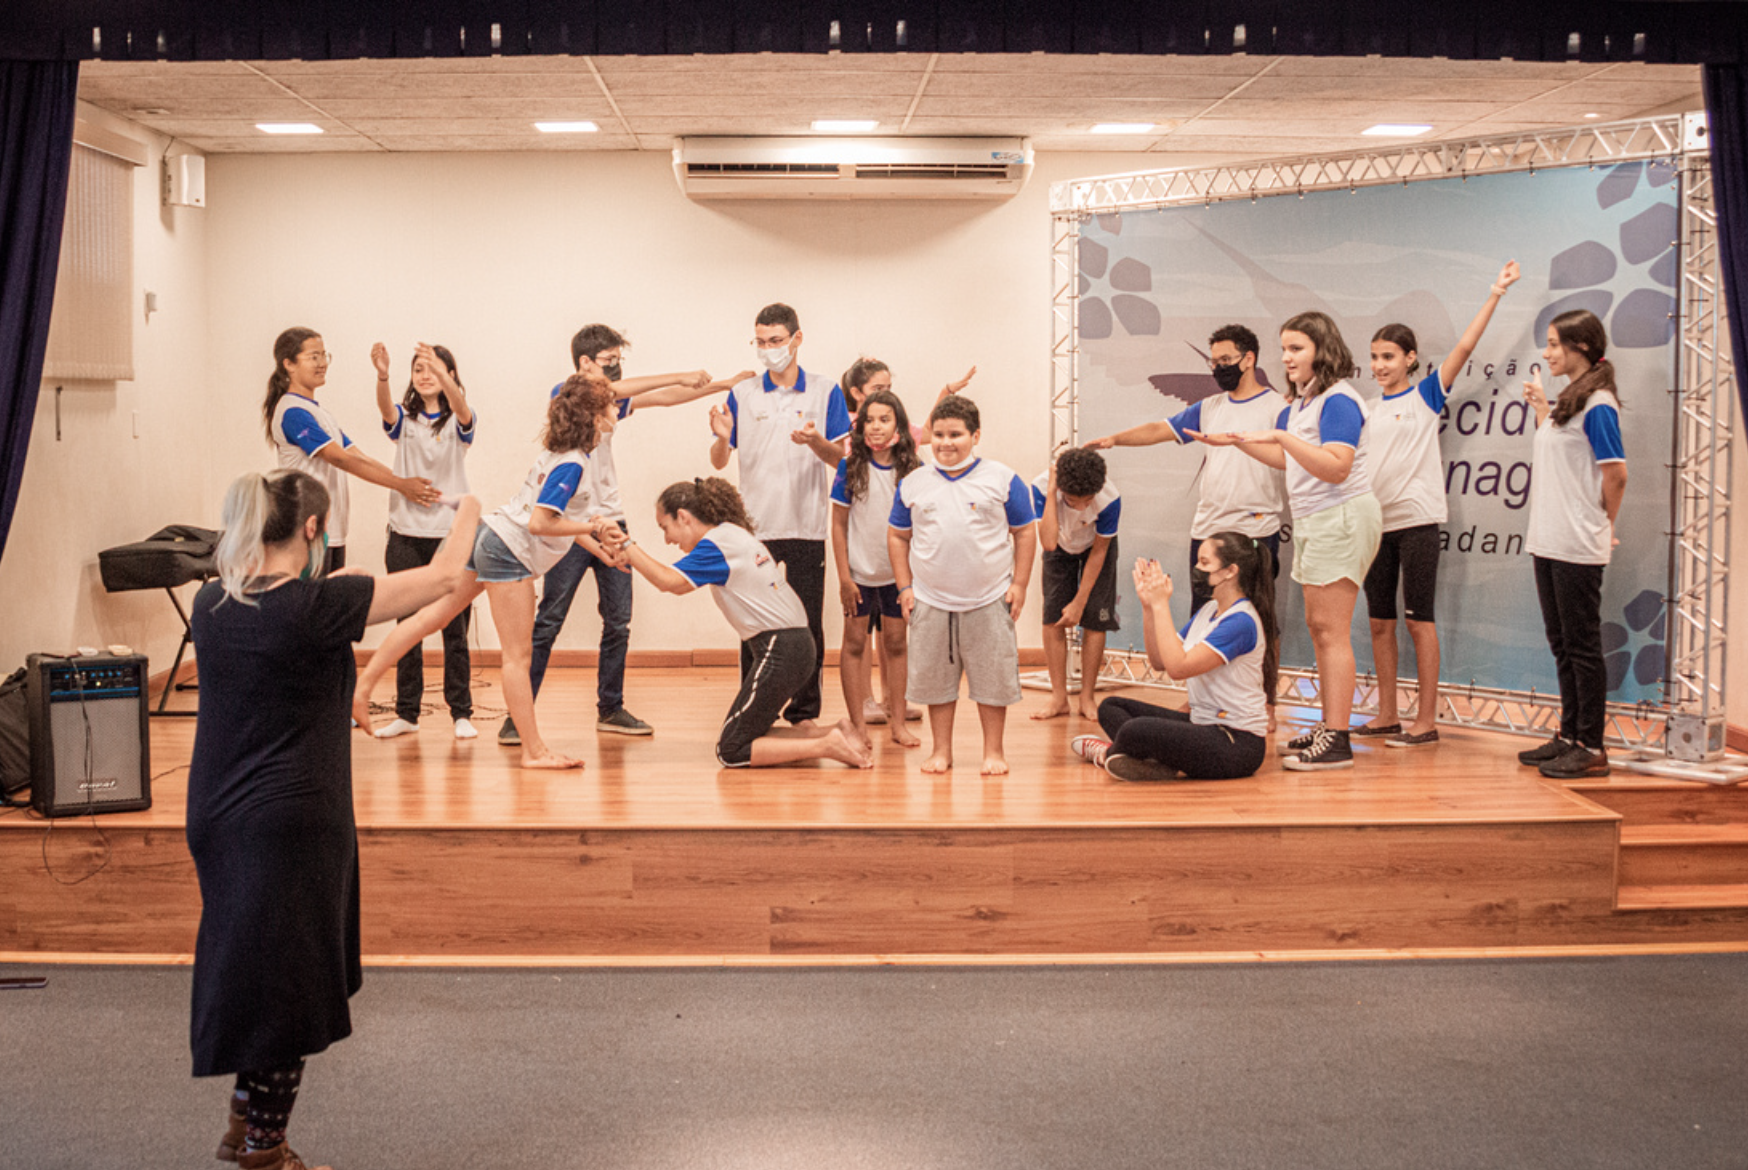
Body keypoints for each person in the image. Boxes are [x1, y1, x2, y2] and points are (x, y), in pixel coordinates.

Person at [188, 468, 481, 1170]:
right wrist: (471, 503)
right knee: (287, 986)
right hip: (290, 824)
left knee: (256, 971)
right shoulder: (317, 605)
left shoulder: (211, 601)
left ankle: (241, 1123)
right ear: (314, 528)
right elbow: (445, 577)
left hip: (219, 816)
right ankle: (265, 1149)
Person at [353, 375, 627, 769]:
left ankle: (363, 686)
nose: (617, 408)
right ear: (596, 417)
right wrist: (595, 526)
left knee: (431, 617)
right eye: (612, 404)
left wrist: (602, 550)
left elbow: (559, 519)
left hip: (490, 534)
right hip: (507, 549)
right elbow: (540, 523)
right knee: (517, 656)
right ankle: (534, 752)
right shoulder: (572, 464)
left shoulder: (562, 455)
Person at [502, 325, 742, 746]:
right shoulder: (567, 395)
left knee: (618, 622)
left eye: (618, 361)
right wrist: (679, 372)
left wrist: (721, 385)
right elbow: (630, 389)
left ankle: (610, 709)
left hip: (611, 523)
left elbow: (661, 398)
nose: (615, 369)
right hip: (572, 525)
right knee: (549, 621)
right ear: (585, 363)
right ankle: (518, 718)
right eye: (608, 361)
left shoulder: (608, 404)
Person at [1194, 311, 1381, 771]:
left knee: (1332, 631)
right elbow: (1289, 460)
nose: (1287, 358)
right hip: (1317, 520)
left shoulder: (1339, 400)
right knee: (1320, 628)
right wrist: (1235, 442)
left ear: (1322, 349)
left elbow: (1336, 466)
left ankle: (1337, 738)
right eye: (1284, 349)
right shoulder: (1300, 404)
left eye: (1297, 348)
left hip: (1342, 516)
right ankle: (1329, 725)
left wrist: (1279, 434)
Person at [1357, 261, 1521, 748]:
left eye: (1389, 356)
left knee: (1418, 620)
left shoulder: (1426, 396)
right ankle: (1387, 714)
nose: (1380, 365)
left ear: (1411, 358)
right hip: (1375, 527)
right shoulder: (1366, 410)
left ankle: (1425, 721)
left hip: (1418, 524)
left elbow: (1465, 347)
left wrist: (1495, 293)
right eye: (1374, 357)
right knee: (1379, 622)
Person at [617, 477, 872, 769]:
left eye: (665, 527)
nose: (667, 539)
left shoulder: (717, 544)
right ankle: (835, 732)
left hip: (782, 647)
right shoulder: (730, 535)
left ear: (683, 517)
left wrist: (627, 545)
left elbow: (669, 582)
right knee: (750, 733)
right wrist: (628, 554)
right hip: (795, 645)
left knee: (730, 750)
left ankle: (826, 746)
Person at [708, 303, 852, 726]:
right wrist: (721, 438)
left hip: (806, 525)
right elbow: (719, 460)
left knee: (807, 623)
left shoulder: (826, 391)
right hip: (754, 528)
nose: (768, 349)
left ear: (796, 339)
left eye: (776, 340)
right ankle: (756, 710)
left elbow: (841, 460)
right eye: (761, 341)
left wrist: (815, 442)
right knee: (754, 623)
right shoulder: (743, 392)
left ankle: (805, 712)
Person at [1085, 324, 1287, 615]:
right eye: (1214, 362)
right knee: (1204, 615)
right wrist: (1115, 439)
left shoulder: (1278, 407)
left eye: (1226, 360)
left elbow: (1288, 458)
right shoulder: (1209, 407)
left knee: (1256, 616)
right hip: (1208, 528)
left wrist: (1238, 441)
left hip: (1255, 530)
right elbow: (1161, 429)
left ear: (1249, 359)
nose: (1219, 369)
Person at [889, 394, 1037, 775]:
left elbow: (1024, 531)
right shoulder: (912, 483)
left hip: (990, 598)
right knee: (936, 682)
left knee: (992, 680)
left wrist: (1020, 584)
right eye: (938, 434)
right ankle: (941, 751)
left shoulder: (1003, 479)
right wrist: (905, 588)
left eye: (955, 434)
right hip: (930, 600)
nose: (945, 443)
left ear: (975, 436)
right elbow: (897, 536)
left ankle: (994, 752)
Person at [1517, 309, 1628, 779]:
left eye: (1554, 343)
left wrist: (1605, 524)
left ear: (1580, 347)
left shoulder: (1599, 403)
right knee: (1562, 644)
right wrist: (1542, 408)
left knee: (1582, 647)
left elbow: (1616, 474)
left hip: (1578, 542)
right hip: (1548, 539)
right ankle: (1569, 735)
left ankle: (1591, 745)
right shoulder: (1571, 399)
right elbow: (1563, 455)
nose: (1546, 353)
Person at [1072, 533, 1278, 782]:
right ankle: (1149, 760)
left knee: (1136, 730)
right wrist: (1149, 607)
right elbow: (1159, 661)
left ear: (1230, 571)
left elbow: (1178, 668)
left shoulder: (1241, 622)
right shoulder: (1209, 609)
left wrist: (1162, 605)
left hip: (1236, 743)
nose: (1196, 568)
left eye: (1204, 562)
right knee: (1111, 707)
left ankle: (1107, 753)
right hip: (1202, 724)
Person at [369, 341, 479, 741]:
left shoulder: (460, 421)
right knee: (408, 626)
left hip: (450, 538)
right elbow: (386, 410)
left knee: (454, 629)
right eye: (418, 369)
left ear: (450, 375)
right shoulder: (405, 419)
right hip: (405, 535)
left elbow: (462, 409)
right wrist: (383, 375)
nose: (425, 375)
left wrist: (443, 373)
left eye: (434, 368)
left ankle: (461, 712)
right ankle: (407, 713)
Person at [262, 327, 439, 573]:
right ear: (289, 364)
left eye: (324, 355)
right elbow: (341, 459)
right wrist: (401, 484)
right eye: (313, 357)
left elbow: (356, 455)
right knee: (312, 599)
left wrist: (404, 483)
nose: (322, 363)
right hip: (304, 533)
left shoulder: (320, 414)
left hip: (331, 532)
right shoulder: (293, 412)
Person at [830, 388, 924, 748]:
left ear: (898, 425)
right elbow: (838, 524)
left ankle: (897, 723)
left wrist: (912, 580)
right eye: (869, 420)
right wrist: (844, 577)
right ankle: (858, 726)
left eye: (884, 419)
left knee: (896, 644)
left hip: (898, 577)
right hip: (859, 575)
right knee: (855, 642)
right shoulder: (849, 466)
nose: (876, 426)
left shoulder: (913, 470)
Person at [1029, 446, 1121, 721]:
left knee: (1095, 620)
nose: (1081, 507)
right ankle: (1059, 698)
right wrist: (1052, 494)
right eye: (1072, 500)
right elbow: (1048, 543)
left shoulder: (1109, 499)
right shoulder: (1040, 488)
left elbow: (1100, 552)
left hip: (1096, 548)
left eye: (1087, 500)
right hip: (1058, 543)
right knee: (1052, 618)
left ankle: (1087, 697)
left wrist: (1080, 602)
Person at [840, 356, 976, 449]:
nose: (885, 395)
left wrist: (945, 392)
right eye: (877, 389)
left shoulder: (894, 423)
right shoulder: (844, 424)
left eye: (888, 388)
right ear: (856, 393)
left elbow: (927, 434)